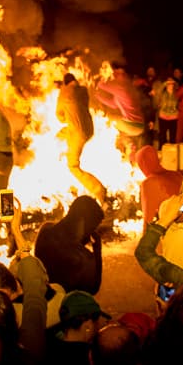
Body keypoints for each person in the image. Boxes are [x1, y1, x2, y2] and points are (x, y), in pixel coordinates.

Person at [33, 195, 104, 295]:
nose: (91, 233)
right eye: (91, 228)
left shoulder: (45, 230)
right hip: (66, 306)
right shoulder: (81, 257)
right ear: (81, 221)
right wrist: (97, 252)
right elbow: (93, 289)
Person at [56, 73, 107, 203]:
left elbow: (60, 117)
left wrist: (62, 92)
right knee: (61, 134)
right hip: (89, 129)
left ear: (65, 83)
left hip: (78, 133)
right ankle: (63, 152)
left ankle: (98, 190)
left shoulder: (64, 92)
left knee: (72, 165)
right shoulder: (83, 90)